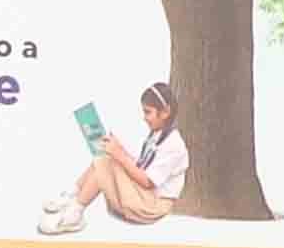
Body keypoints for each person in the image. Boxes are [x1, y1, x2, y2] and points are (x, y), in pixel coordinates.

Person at [37, 81, 190, 234]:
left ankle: (75, 213)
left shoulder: (173, 145)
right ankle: (74, 196)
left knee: (108, 160)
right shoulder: (156, 135)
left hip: (153, 206)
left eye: (148, 112)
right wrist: (119, 149)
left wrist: (119, 154)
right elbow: (142, 165)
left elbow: (147, 181)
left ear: (165, 112)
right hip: (146, 197)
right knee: (106, 155)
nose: (144, 118)